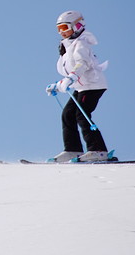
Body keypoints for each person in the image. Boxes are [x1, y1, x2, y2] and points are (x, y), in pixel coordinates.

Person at [46, 11, 109, 162]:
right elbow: (68, 70)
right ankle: (73, 150)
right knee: (67, 114)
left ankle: (98, 151)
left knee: (82, 115)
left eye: (65, 27)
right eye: (59, 29)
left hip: (93, 85)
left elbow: (82, 64)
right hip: (81, 86)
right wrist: (59, 85)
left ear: (77, 26)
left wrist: (72, 77)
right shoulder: (67, 46)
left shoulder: (81, 44)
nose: (62, 32)